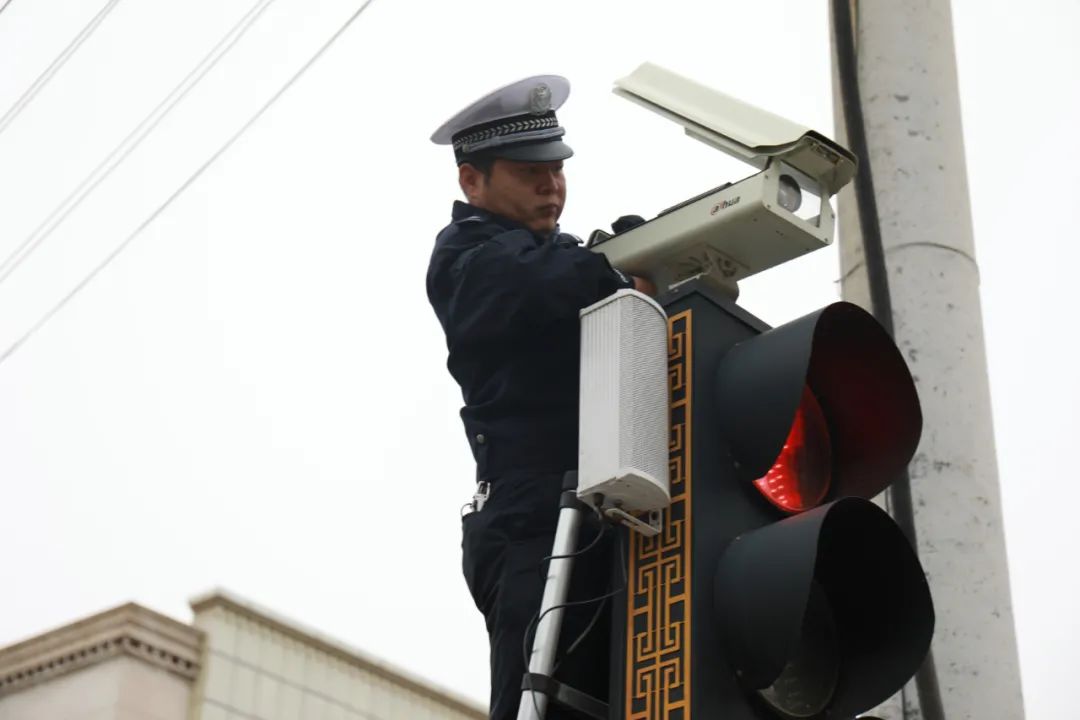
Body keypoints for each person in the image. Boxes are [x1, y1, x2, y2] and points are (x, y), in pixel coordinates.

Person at [426, 75, 654, 720]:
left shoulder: (561, 257)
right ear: (473, 181)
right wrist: (622, 263)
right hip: (532, 516)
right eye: (529, 172)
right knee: (541, 700)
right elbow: (530, 284)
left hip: (608, 506)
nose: (551, 185)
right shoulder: (466, 256)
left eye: (556, 169)